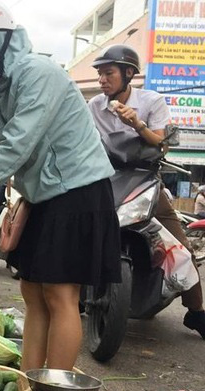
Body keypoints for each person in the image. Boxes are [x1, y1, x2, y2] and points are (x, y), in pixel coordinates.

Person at [0, 0, 121, 371]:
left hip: (77, 192)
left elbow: (17, 146)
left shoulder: (37, 73)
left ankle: (53, 382)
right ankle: (29, 379)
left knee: (61, 295)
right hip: (42, 197)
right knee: (32, 292)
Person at [88, 44, 205, 338]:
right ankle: (75, 291)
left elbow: (162, 143)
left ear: (128, 74)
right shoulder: (94, 107)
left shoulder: (151, 101)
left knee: (183, 249)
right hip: (105, 181)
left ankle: (196, 312)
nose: (102, 80)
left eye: (108, 73)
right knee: (76, 233)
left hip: (145, 181)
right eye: (100, 74)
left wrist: (136, 123)